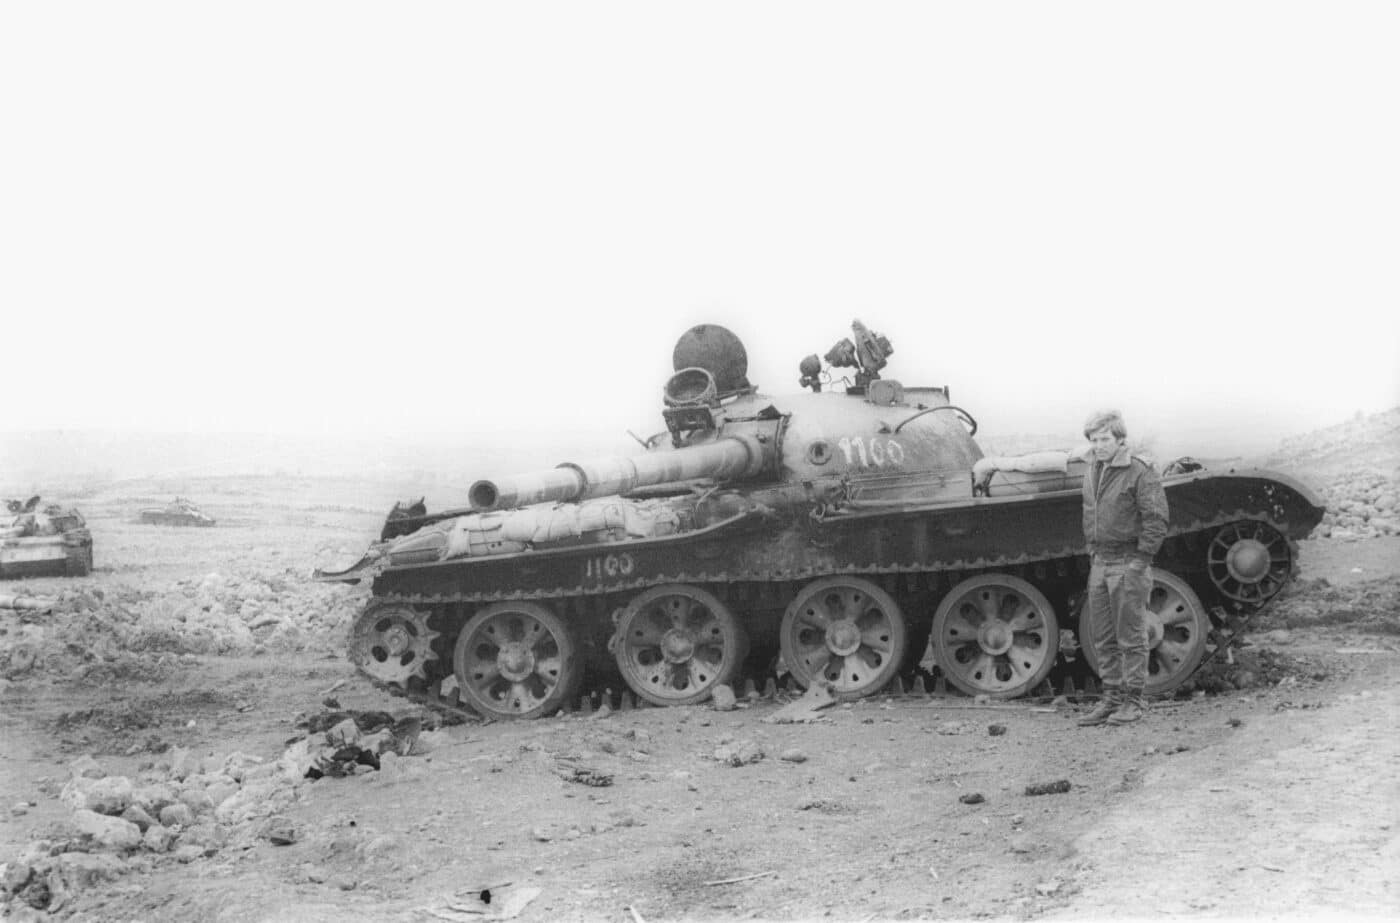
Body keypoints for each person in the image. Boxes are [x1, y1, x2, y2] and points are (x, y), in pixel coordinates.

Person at [1077, 409, 1169, 726]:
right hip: (1100, 562)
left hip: (1128, 562)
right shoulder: (1092, 470)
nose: (1099, 445)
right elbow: (1090, 514)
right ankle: (1111, 699)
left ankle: (1134, 701)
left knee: (1130, 636)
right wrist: (1092, 552)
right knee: (1103, 637)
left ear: (1120, 439)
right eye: (1094, 439)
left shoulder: (1138, 472)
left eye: (1105, 439)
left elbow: (1156, 520)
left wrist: (1141, 561)